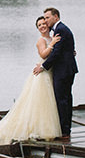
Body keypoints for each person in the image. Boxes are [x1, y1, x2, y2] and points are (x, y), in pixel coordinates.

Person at [0, 16, 63, 145]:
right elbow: (43, 54)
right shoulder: (41, 40)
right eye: (39, 25)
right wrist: (52, 44)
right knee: (41, 102)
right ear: (37, 28)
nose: (42, 26)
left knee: (48, 103)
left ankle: (46, 129)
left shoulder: (52, 37)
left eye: (44, 24)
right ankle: (38, 131)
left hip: (50, 72)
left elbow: (57, 54)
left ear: (48, 25)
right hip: (42, 73)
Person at [33, 7, 78, 139]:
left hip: (63, 71)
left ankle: (64, 131)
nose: (45, 21)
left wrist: (43, 66)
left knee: (62, 100)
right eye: (43, 19)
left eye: (47, 18)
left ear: (56, 17)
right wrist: (70, 53)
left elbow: (57, 53)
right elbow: (65, 48)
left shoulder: (60, 30)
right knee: (65, 99)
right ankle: (65, 129)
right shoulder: (59, 30)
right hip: (64, 69)